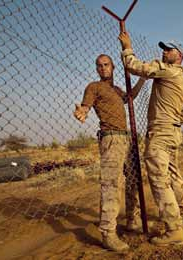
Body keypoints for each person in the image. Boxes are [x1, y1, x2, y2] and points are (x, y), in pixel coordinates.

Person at [118, 32, 183, 246]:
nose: (163, 52)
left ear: (179, 56)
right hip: (173, 132)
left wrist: (127, 47)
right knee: (173, 174)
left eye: (168, 50)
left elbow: (135, 66)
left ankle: (174, 230)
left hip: (160, 133)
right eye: (164, 49)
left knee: (159, 181)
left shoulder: (167, 70)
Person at [74, 54, 145, 252]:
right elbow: (86, 104)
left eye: (106, 65)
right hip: (111, 139)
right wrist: (83, 111)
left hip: (126, 138)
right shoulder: (94, 87)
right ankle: (108, 233)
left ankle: (132, 219)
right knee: (111, 185)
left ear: (113, 67)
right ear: (96, 69)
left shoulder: (115, 90)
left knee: (133, 180)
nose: (103, 68)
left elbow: (130, 97)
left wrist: (142, 79)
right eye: (99, 65)